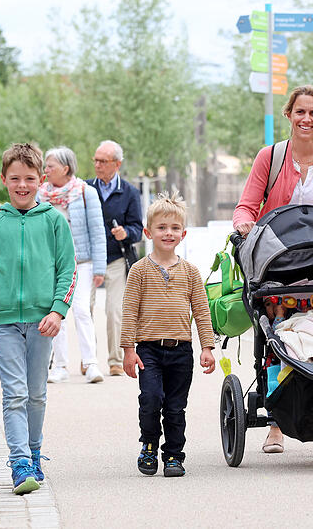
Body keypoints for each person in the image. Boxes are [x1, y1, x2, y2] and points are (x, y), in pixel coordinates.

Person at [233, 84, 313, 454]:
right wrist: (242, 227)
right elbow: (247, 206)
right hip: (276, 264)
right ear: (289, 115)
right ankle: (277, 424)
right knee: (276, 338)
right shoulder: (269, 158)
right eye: (300, 111)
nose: (306, 119)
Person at [0, 143, 76, 495]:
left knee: (36, 394)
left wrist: (58, 311)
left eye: (29, 178)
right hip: (3, 324)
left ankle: (33, 453)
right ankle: (18, 463)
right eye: (14, 178)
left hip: (43, 322)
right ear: (3, 180)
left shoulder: (54, 222)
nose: (22, 185)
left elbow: (68, 271)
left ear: (41, 180)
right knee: (14, 394)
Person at [121, 192, 215, 478]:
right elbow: (129, 310)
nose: (168, 233)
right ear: (149, 232)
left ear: (183, 234)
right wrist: (127, 348)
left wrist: (207, 347)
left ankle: (174, 455)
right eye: (162, 227)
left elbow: (201, 310)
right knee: (150, 400)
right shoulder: (139, 270)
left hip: (181, 352)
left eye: (174, 228)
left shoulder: (190, 272)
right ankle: (149, 445)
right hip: (148, 349)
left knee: (175, 408)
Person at [38, 146, 107, 384]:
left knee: (81, 311)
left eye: (51, 166)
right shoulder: (41, 195)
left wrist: (100, 268)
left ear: (66, 168)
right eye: (45, 166)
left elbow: (98, 231)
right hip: (51, 263)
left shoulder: (85, 192)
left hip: (82, 262)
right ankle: (60, 365)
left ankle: (91, 364)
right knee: (56, 312)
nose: (46, 170)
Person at [87, 139, 143, 376]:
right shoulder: (85, 188)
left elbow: (138, 229)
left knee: (114, 310)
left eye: (103, 161)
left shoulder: (130, 192)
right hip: (88, 260)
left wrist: (126, 233)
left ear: (117, 164)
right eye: (96, 160)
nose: (98, 165)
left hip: (117, 259)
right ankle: (89, 360)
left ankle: (115, 361)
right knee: (84, 309)